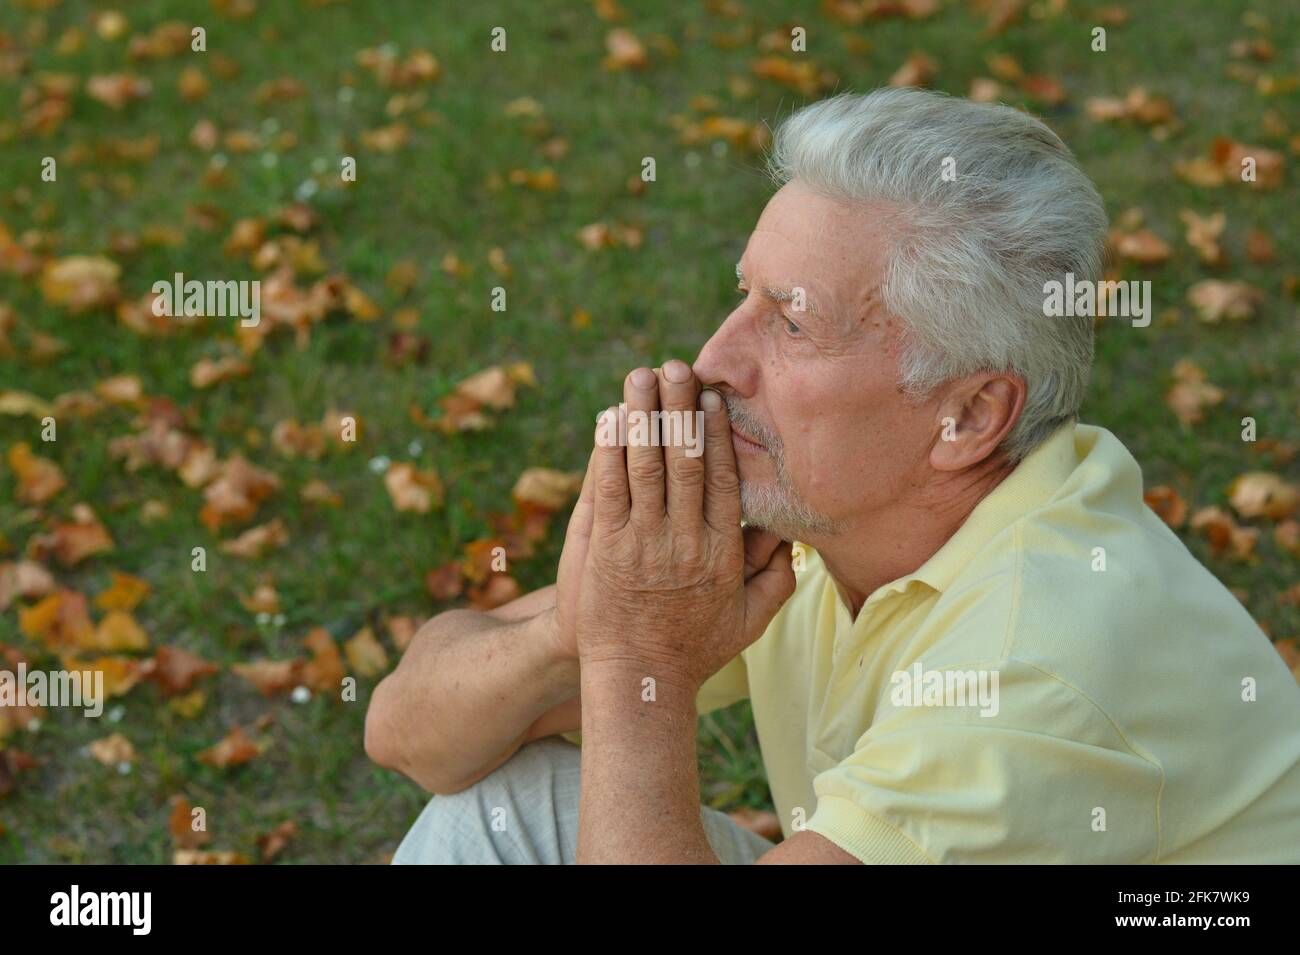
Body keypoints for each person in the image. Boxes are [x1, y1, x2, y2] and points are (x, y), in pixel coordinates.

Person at [366, 88, 1300, 864]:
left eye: (792, 322)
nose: (715, 359)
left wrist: (635, 658)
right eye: (745, 297)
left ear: (968, 416)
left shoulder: (1034, 662)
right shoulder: (829, 518)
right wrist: (580, 629)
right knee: (493, 811)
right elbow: (405, 736)